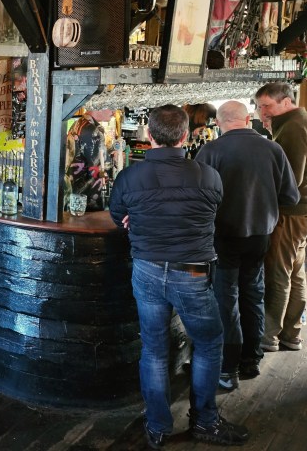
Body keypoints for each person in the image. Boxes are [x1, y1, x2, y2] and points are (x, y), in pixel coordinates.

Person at [109, 104, 249, 448]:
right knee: (209, 342)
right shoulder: (207, 175)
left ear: (151, 137)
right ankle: (205, 421)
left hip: (148, 270)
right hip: (192, 272)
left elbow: (117, 215)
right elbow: (211, 212)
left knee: (154, 349)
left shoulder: (129, 176)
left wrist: (134, 218)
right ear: (185, 137)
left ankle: (158, 427)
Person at [195, 100, 299, 390]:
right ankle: (251, 361)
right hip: (260, 236)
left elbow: (197, 198)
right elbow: (290, 197)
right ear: (248, 118)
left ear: (219, 122)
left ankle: (228, 369)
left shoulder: (211, 150)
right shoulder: (273, 149)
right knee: (253, 293)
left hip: (223, 236)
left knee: (225, 299)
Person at [254, 82, 307, 353]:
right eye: (259, 106)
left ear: (286, 101)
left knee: (278, 273)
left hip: (290, 213)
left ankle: (269, 337)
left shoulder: (294, 126)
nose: (262, 112)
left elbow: (291, 179)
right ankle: (291, 334)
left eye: (267, 106)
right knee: (296, 272)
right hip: (301, 212)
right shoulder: (294, 120)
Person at [64, 108, 114, 211]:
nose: (114, 112)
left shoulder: (79, 123)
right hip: (88, 199)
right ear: (99, 106)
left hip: (74, 194)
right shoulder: (92, 131)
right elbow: (100, 169)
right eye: (111, 107)